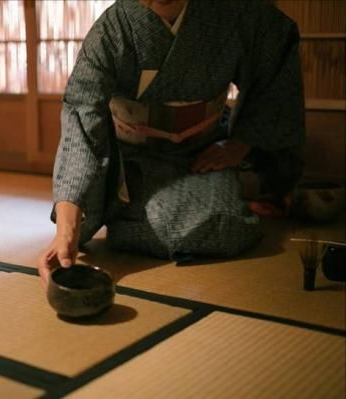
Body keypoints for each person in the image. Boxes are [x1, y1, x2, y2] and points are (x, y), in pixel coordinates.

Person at [38, 0, 305, 286]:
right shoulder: (113, 28)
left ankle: (125, 219)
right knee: (82, 218)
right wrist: (66, 230)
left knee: (224, 228)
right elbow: (81, 114)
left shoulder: (234, 12)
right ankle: (121, 211)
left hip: (198, 156)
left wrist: (238, 145)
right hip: (126, 160)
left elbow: (277, 60)